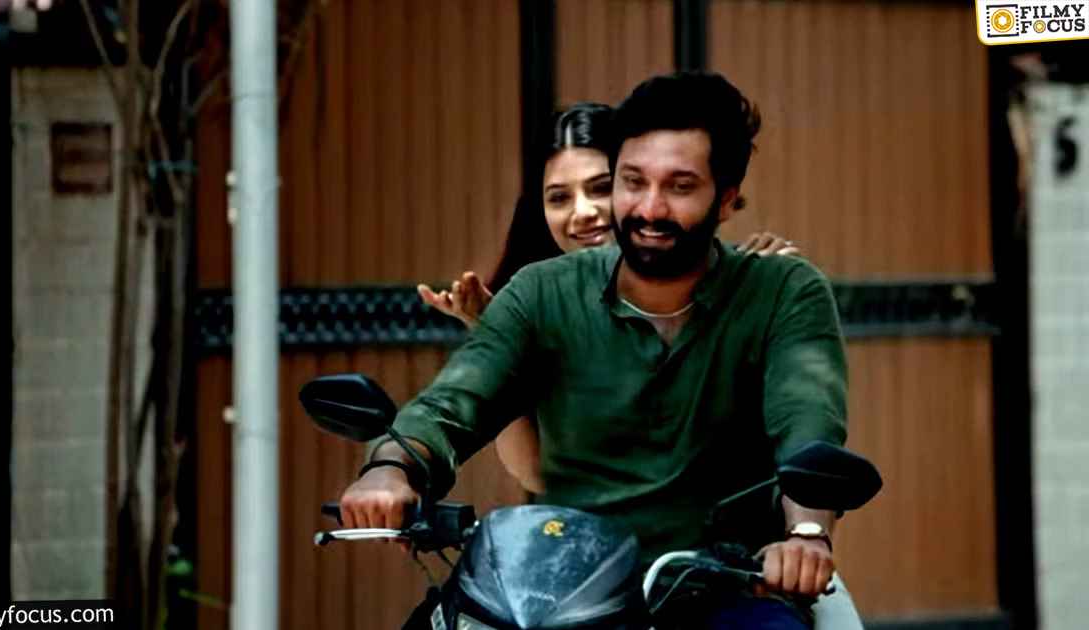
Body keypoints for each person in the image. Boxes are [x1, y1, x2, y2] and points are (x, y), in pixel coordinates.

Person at [344, 71, 846, 628]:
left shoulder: (783, 291)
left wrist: (806, 534)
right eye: (632, 182)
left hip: (728, 589)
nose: (649, 208)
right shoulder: (540, 291)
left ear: (726, 199)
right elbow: (455, 402)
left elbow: (808, 427)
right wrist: (391, 468)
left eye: (679, 187)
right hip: (559, 589)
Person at [417, 103, 799, 495]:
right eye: (559, 198)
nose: (582, 212)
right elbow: (536, 473)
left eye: (601, 188)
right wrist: (493, 335)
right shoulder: (545, 309)